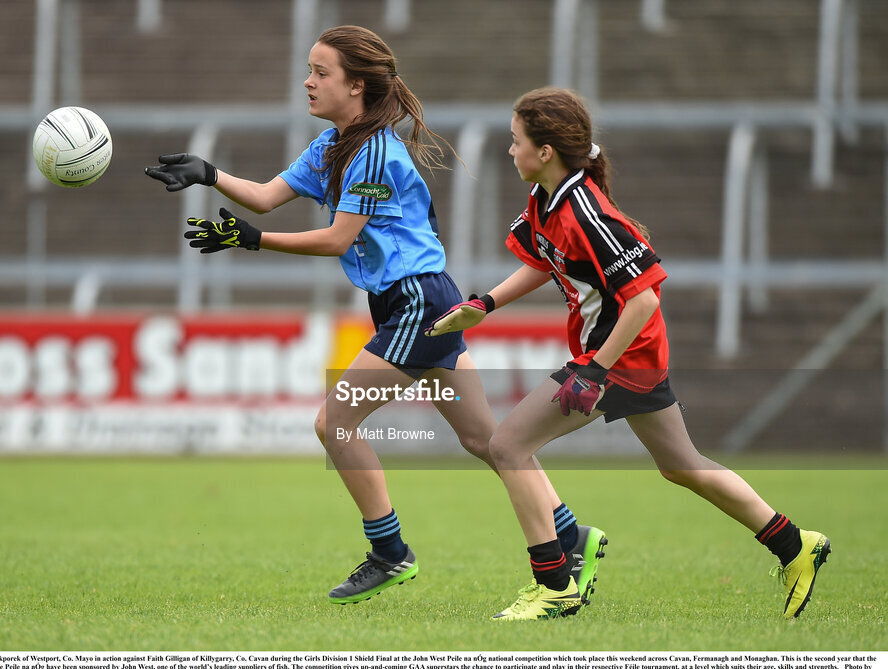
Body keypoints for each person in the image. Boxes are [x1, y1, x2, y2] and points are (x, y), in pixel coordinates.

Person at [146, 27, 607, 607]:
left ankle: (390, 552)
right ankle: (571, 535)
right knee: (483, 438)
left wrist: (254, 241)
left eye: (321, 72)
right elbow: (265, 194)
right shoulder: (333, 145)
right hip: (411, 299)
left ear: (356, 85)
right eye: (309, 70)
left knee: (333, 423)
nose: (308, 82)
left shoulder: (373, 151)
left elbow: (340, 239)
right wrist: (209, 174)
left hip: (418, 300)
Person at [426, 86, 830, 621]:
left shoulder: (584, 208)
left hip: (621, 357)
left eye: (515, 140)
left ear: (545, 151)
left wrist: (595, 369)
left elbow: (642, 299)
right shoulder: (547, 199)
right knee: (683, 466)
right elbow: (545, 261)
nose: (509, 150)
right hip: (627, 357)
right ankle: (794, 545)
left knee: (506, 447)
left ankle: (555, 587)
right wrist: (486, 303)